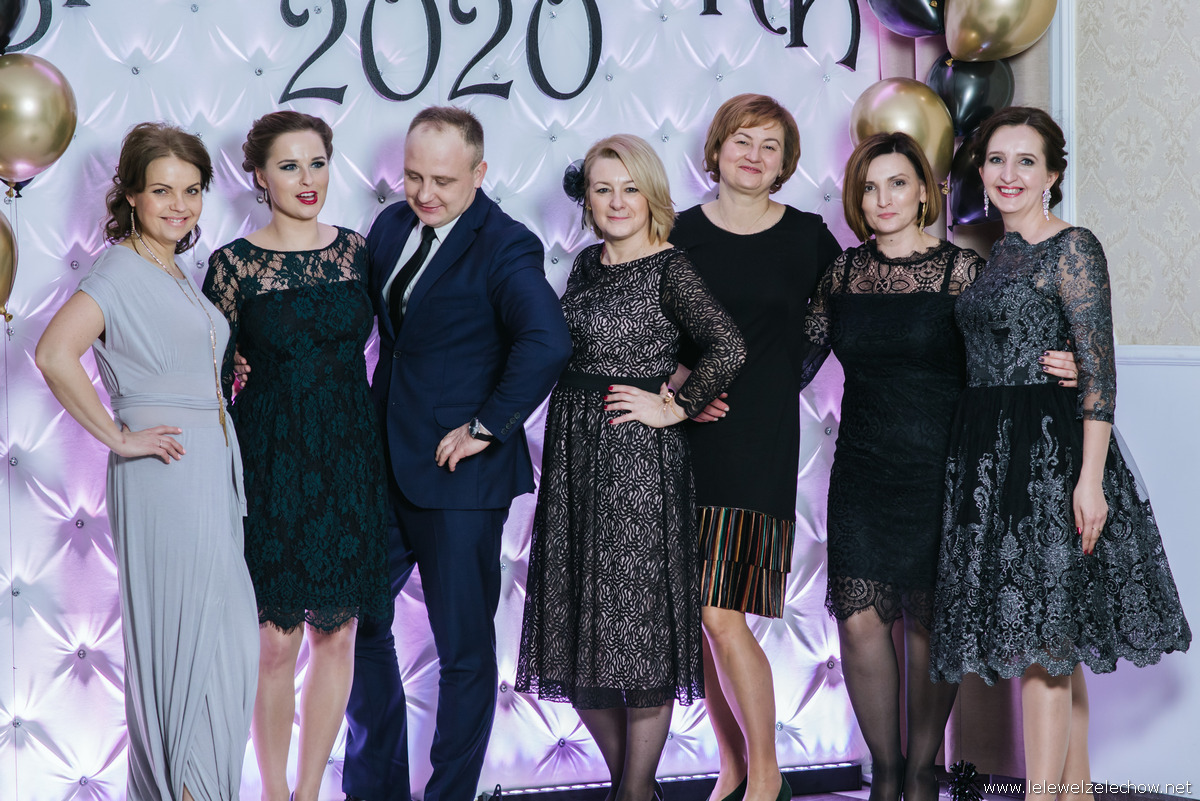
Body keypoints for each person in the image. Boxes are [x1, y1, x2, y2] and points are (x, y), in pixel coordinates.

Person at [799, 132, 1077, 801]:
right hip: (862, 472)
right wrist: (695, 382)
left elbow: (1011, 353)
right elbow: (794, 366)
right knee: (859, 621)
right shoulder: (842, 275)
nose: (883, 198)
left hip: (947, 471)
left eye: (898, 183)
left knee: (932, 622)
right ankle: (886, 774)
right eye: (870, 187)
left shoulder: (964, 273)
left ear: (925, 191)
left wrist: (1072, 364)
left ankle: (923, 771)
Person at [929, 107, 1191, 800]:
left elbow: (1100, 372)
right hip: (991, 458)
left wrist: (1090, 481)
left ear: (1051, 175)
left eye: (1026, 161)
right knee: (1054, 643)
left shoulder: (1073, 247)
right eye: (996, 160)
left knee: (1044, 642)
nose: (1008, 174)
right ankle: (1074, 793)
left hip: (1048, 458)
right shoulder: (994, 257)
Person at [341, 106, 572, 801]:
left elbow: (547, 341)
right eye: (413, 175)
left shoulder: (506, 244)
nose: (424, 193)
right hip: (383, 462)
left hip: (461, 477)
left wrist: (487, 426)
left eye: (443, 180)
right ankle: (376, 788)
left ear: (479, 172)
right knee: (354, 620)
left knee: (464, 652)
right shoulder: (390, 226)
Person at [516, 134, 746, 801]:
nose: (617, 202)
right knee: (577, 633)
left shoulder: (670, 268)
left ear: (651, 196)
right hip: (575, 461)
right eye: (602, 189)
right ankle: (635, 790)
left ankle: (633, 790)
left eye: (629, 188)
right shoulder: (586, 266)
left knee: (640, 637)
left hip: (638, 463)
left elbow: (728, 346)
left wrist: (674, 407)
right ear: (587, 199)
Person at [35, 122, 258, 801]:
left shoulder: (173, 268)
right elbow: (53, 353)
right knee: (188, 646)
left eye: (191, 190)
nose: (179, 205)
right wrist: (118, 436)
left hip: (206, 468)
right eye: (162, 190)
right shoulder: (118, 268)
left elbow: (167, 350)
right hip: (167, 474)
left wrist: (216, 370)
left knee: (226, 644)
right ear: (131, 194)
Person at [201, 111, 390, 801]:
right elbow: (208, 374)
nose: (307, 179)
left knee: (337, 635)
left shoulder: (359, 252)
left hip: (350, 459)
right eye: (288, 166)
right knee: (276, 640)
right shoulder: (233, 266)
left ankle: (310, 791)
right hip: (271, 462)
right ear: (258, 176)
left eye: (317, 163)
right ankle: (274, 792)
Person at [667, 94, 840, 801]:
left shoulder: (808, 238)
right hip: (682, 445)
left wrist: (770, 384)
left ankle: (767, 776)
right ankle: (733, 767)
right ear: (716, 149)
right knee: (703, 619)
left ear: (785, 163)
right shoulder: (676, 232)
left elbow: (839, 322)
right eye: (743, 140)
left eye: (771, 146)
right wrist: (681, 385)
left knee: (721, 611)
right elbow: (646, 329)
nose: (754, 155)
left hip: (758, 444)